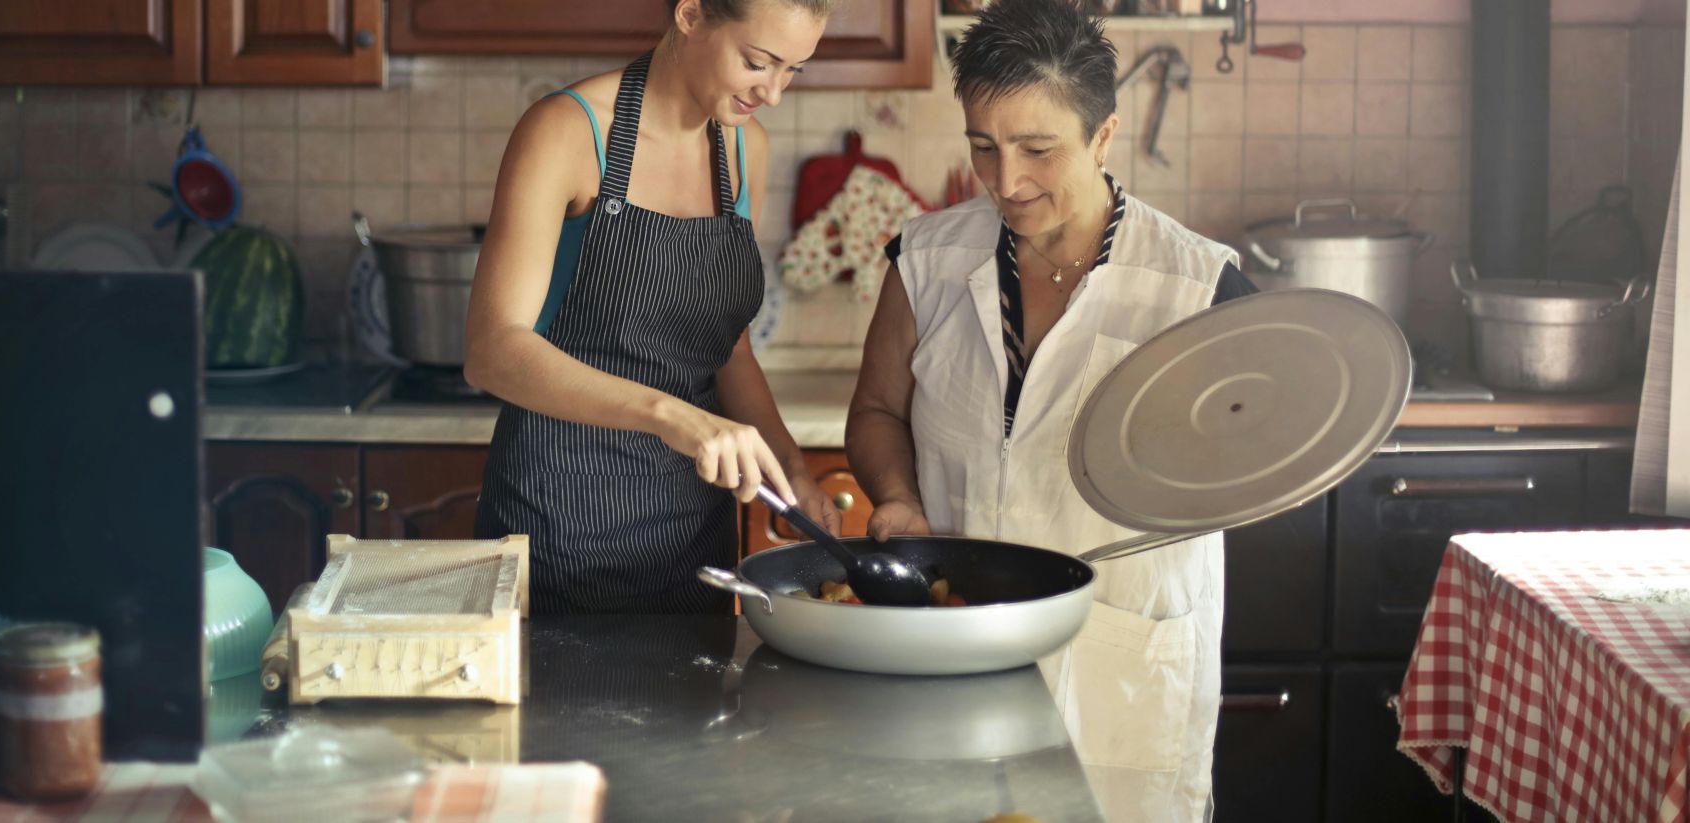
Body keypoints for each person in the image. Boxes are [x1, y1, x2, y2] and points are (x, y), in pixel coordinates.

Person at [845, 1, 1257, 819]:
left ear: (1104, 137)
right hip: (957, 651)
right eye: (983, 148)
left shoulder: (1199, 287)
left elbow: (1253, 465)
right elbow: (879, 410)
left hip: (1122, 663)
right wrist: (897, 496)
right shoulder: (925, 260)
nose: (1007, 181)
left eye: (1039, 149)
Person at [464, 0, 840, 614]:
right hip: (557, 530)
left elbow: (729, 349)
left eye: (793, 71)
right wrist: (675, 418)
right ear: (691, 15)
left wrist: (791, 469)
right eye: (757, 62)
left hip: (696, 543)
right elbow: (492, 352)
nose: (772, 93)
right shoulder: (568, 130)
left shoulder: (747, 150)